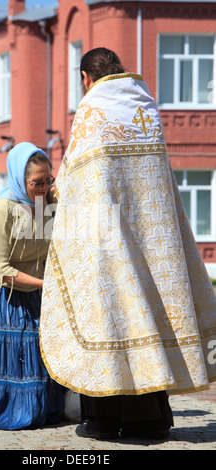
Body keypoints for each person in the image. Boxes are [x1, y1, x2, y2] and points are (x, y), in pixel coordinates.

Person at [40, 47, 216, 440]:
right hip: (155, 238)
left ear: (86, 77)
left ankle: (104, 420)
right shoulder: (146, 107)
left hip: (107, 240)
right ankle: (150, 419)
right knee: (148, 317)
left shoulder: (91, 109)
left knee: (110, 319)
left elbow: (75, 177)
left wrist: (56, 195)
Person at [0, 142, 64, 430]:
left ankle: (42, 408)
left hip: (36, 289)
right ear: (19, 180)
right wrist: (46, 284)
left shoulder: (50, 204)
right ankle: (4, 408)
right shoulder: (4, 208)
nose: (43, 188)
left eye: (48, 180)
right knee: (15, 351)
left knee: (40, 351)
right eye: (37, 183)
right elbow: (1, 268)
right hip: (2, 291)